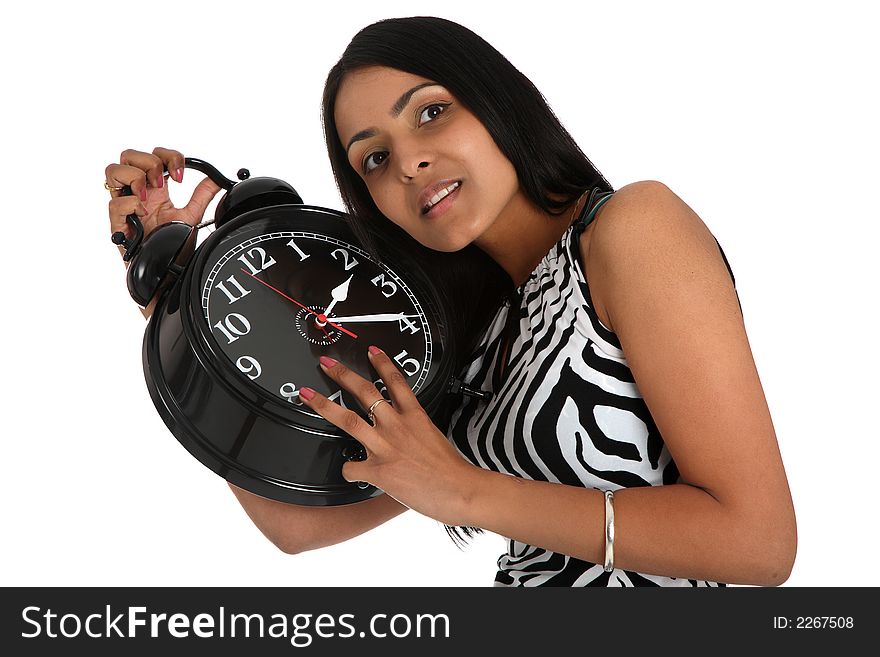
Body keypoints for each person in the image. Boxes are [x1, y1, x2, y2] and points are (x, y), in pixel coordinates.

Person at [105, 16, 797, 586]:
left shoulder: (631, 231)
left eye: (431, 113)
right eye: (374, 159)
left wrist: (462, 489)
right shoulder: (461, 343)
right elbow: (299, 525)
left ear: (498, 100)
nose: (408, 163)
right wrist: (175, 294)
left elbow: (758, 541)